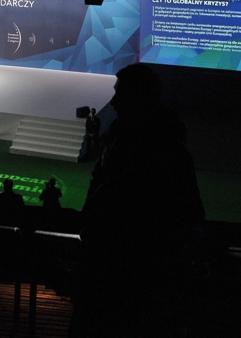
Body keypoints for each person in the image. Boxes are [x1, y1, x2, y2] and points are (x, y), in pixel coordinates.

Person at [73, 62, 206, 336]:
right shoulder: (119, 135)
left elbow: (185, 207)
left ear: (140, 98)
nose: (114, 102)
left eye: (120, 94)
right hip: (108, 262)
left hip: (139, 270)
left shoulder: (165, 148)